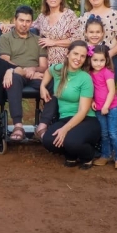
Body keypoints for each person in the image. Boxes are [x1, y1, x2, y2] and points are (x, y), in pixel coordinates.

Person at [38, 40, 101, 169]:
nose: (78, 58)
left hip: (85, 120)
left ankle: (88, 155)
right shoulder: (58, 69)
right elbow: (48, 72)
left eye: (82, 56)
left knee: (71, 141)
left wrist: (65, 129)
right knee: (48, 141)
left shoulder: (85, 78)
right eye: (75, 54)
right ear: (68, 54)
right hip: (65, 118)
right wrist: (42, 86)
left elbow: (83, 111)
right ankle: (71, 153)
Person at [0, 5, 48, 142]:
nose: (24, 24)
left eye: (28, 21)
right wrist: (24, 71)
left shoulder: (38, 40)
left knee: (53, 85)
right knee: (14, 78)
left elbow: (43, 66)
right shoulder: (6, 38)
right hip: (15, 74)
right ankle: (18, 126)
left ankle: (43, 126)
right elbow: (5, 61)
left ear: (32, 22)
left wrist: (33, 70)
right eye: (21, 20)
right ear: (15, 20)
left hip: (34, 75)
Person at [76, 0, 117, 78]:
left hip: (108, 61)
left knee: (106, 92)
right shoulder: (83, 18)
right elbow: (80, 40)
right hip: (87, 64)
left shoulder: (115, 15)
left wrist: (107, 55)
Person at [90, 44, 117, 170]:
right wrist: (93, 100)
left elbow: (111, 91)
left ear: (106, 60)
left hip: (112, 107)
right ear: (91, 60)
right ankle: (105, 155)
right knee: (103, 133)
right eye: (95, 60)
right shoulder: (90, 73)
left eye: (102, 60)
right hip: (98, 108)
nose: (98, 63)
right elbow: (92, 89)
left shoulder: (107, 73)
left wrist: (106, 106)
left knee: (113, 133)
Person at [33, 0, 78, 66]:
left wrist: (54, 42)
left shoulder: (69, 15)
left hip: (64, 62)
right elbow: (28, 24)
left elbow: (76, 40)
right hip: (44, 63)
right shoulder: (42, 16)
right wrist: (8, 26)